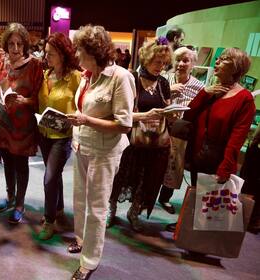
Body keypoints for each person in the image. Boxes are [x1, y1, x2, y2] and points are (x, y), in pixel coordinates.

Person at [66, 25, 135, 280]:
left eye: (80, 51)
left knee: (96, 207)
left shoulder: (120, 77)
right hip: (81, 145)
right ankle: (83, 241)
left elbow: (125, 124)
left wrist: (85, 121)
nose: (76, 55)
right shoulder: (86, 75)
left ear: (95, 52)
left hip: (104, 152)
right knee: (80, 199)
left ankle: (89, 261)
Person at [167, 48, 256, 232]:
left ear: (235, 68)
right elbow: (189, 116)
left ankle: (200, 239)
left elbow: (237, 136)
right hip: (199, 153)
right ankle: (186, 227)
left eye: (223, 59)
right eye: (218, 58)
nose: (216, 61)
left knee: (210, 202)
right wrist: (205, 93)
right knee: (196, 193)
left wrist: (226, 166)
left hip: (217, 159)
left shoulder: (244, 99)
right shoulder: (212, 90)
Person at [0, 23, 43, 224]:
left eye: (19, 44)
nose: (15, 48)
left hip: (22, 127)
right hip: (0, 121)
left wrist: (26, 101)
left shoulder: (35, 65)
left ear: (25, 44)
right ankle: (10, 196)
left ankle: (19, 203)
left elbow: (40, 98)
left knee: (20, 165)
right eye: (11, 43)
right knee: (6, 161)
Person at [107, 39, 173, 231]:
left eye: (164, 63)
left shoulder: (163, 83)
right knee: (120, 179)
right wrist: (145, 115)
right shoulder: (131, 78)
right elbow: (118, 113)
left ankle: (134, 212)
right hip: (130, 142)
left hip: (154, 143)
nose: (161, 67)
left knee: (144, 181)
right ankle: (111, 210)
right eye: (157, 62)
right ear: (146, 59)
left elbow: (166, 107)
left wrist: (171, 113)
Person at [37, 32, 81, 240]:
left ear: (63, 55)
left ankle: (49, 220)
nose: (47, 57)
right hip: (44, 133)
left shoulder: (75, 77)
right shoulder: (46, 75)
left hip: (63, 136)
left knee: (50, 178)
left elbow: (83, 106)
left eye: (51, 54)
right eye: (46, 53)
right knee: (54, 176)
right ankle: (59, 209)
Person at [157, 46, 205, 214]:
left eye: (186, 60)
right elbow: (151, 98)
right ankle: (145, 198)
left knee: (174, 166)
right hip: (159, 129)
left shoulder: (199, 86)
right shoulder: (163, 79)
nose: (181, 64)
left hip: (181, 133)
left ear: (193, 64)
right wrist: (169, 89)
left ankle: (164, 198)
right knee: (155, 164)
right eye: (178, 60)